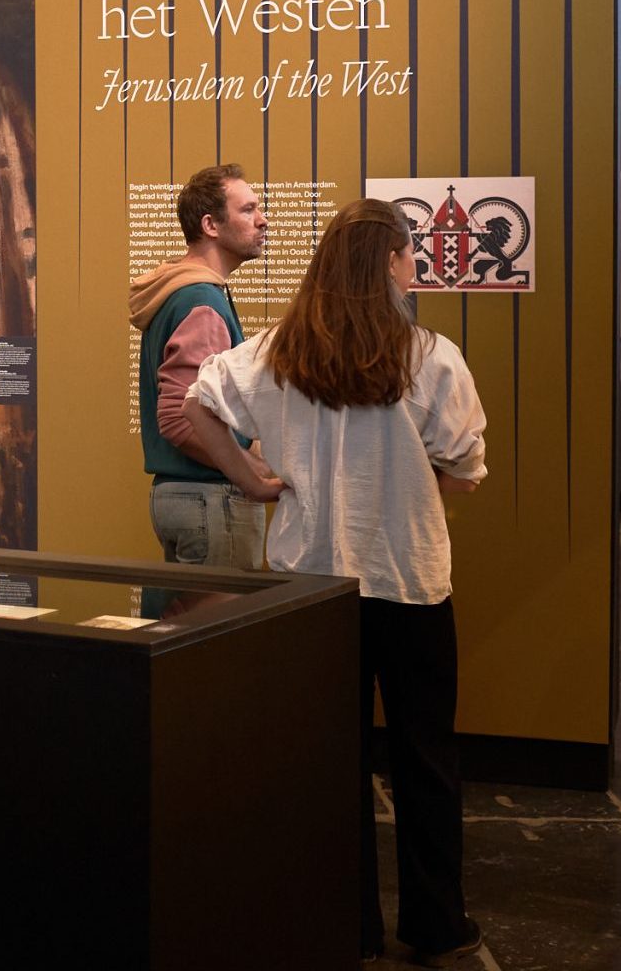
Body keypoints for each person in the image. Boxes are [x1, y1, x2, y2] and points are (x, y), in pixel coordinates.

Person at [182, 199, 489, 969]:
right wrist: (407, 481)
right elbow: (465, 472)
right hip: (409, 580)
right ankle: (435, 924)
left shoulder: (277, 353)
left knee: (328, 761)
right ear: (387, 260)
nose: (415, 266)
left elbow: (197, 404)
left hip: (309, 587)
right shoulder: (431, 357)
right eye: (410, 253)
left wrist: (252, 478)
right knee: (425, 756)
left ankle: (346, 925)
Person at [130, 164, 270, 616]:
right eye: (248, 209)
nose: (263, 220)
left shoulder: (186, 293)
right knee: (213, 648)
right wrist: (252, 473)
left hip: (190, 498)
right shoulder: (201, 300)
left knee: (182, 643)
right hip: (212, 501)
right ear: (211, 225)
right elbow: (180, 418)